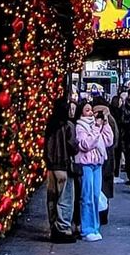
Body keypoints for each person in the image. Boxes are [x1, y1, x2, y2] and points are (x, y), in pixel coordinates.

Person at [74, 100, 113, 241]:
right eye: (87, 110)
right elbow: (85, 144)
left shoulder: (95, 125)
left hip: (97, 164)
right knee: (87, 196)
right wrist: (96, 129)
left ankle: (95, 227)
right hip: (86, 164)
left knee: (96, 196)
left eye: (91, 110)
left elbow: (108, 141)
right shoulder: (80, 127)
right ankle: (87, 228)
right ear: (81, 113)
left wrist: (105, 124)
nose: (90, 113)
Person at [44, 98, 78, 242]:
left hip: (51, 167)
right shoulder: (68, 126)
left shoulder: (50, 125)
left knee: (52, 197)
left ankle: (53, 226)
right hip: (63, 166)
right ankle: (63, 228)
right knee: (65, 198)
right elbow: (73, 146)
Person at [92, 97, 118, 223]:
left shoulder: (93, 119)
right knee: (106, 187)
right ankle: (104, 214)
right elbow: (116, 139)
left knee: (97, 187)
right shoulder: (110, 119)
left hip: (96, 158)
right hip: (109, 158)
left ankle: (98, 213)